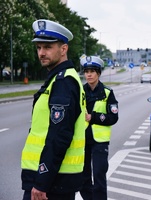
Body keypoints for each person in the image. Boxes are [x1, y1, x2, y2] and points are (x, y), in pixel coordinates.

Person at [21, 19, 86, 200]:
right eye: (39, 47)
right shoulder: (59, 79)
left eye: (48, 47)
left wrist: (42, 182)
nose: (41, 53)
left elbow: (60, 135)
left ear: (63, 49)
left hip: (52, 184)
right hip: (56, 181)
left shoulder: (63, 82)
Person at [79, 55, 119, 200]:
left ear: (98, 73)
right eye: (86, 71)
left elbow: (113, 117)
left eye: (92, 71)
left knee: (99, 176)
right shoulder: (80, 92)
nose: (88, 74)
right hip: (82, 141)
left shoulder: (107, 93)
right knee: (83, 178)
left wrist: (93, 117)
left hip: (100, 142)